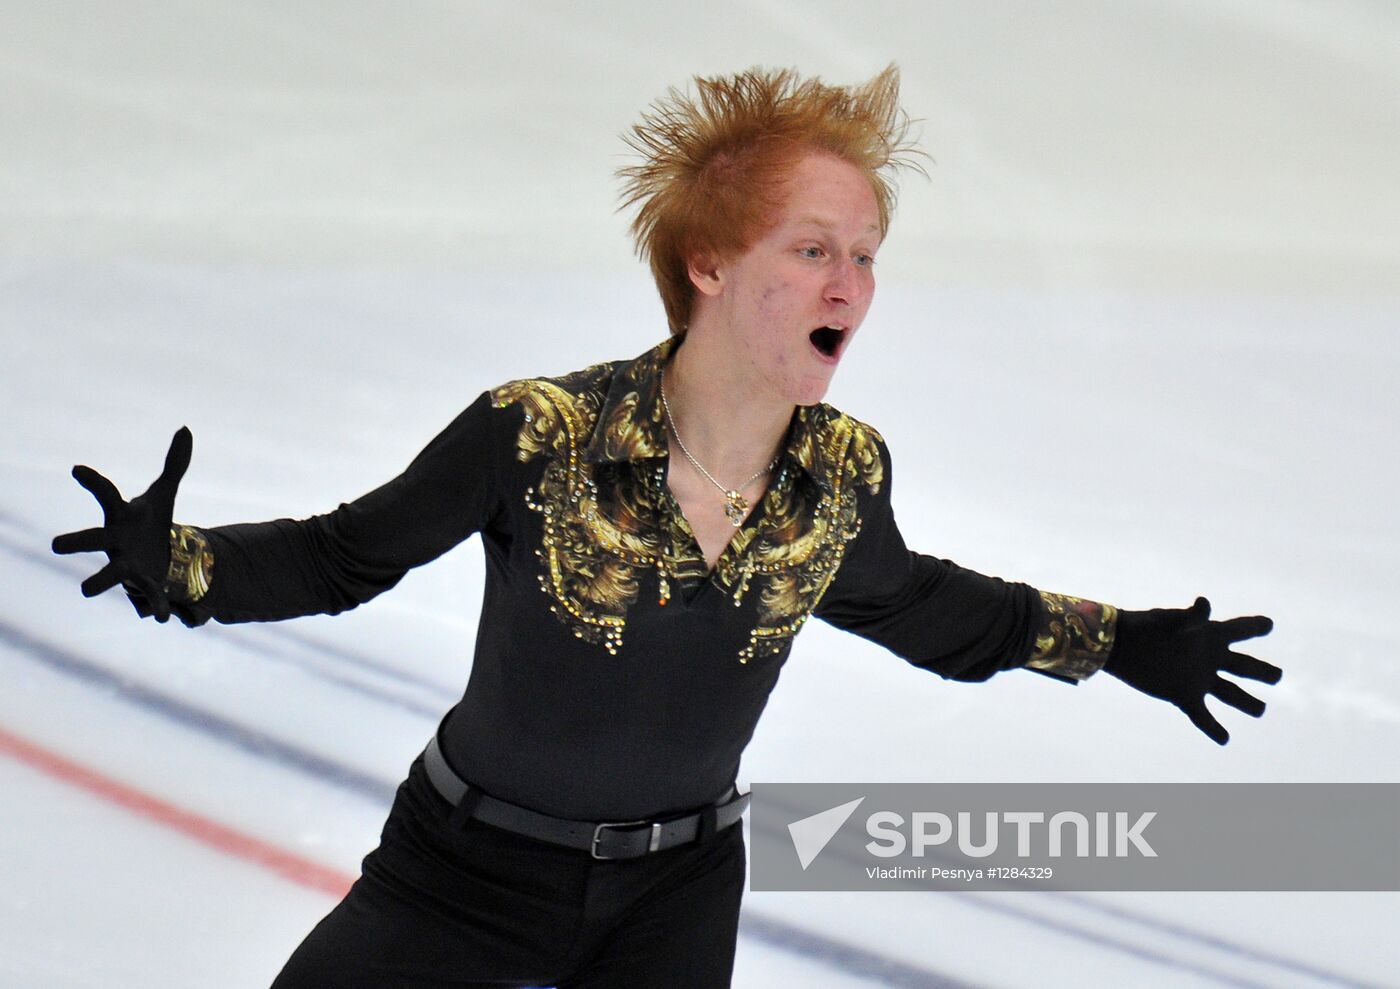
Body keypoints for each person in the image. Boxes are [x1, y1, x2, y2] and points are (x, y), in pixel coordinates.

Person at [52, 65, 1280, 988]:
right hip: (460, 876)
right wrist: (187, 563)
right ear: (706, 262)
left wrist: (1115, 641)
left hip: (675, 893)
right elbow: (342, 552)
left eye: (862, 253)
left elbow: (922, 606)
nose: (847, 283)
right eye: (809, 249)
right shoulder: (536, 434)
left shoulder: (840, 475)